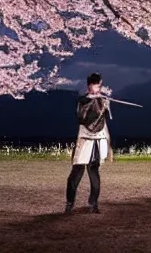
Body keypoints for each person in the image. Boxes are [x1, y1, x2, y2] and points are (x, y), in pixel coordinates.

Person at [65, 73, 112, 214]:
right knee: (76, 173)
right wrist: (93, 102)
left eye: (100, 85)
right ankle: (69, 202)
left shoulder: (102, 99)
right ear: (90, 85)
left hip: (98, 140)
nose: (99, 87)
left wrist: (104, 104)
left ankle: (93, 203)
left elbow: (103, 119)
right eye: (98, 84)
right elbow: (83, 118)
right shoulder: (83, 101)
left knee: (94, 172)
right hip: (84, 140)